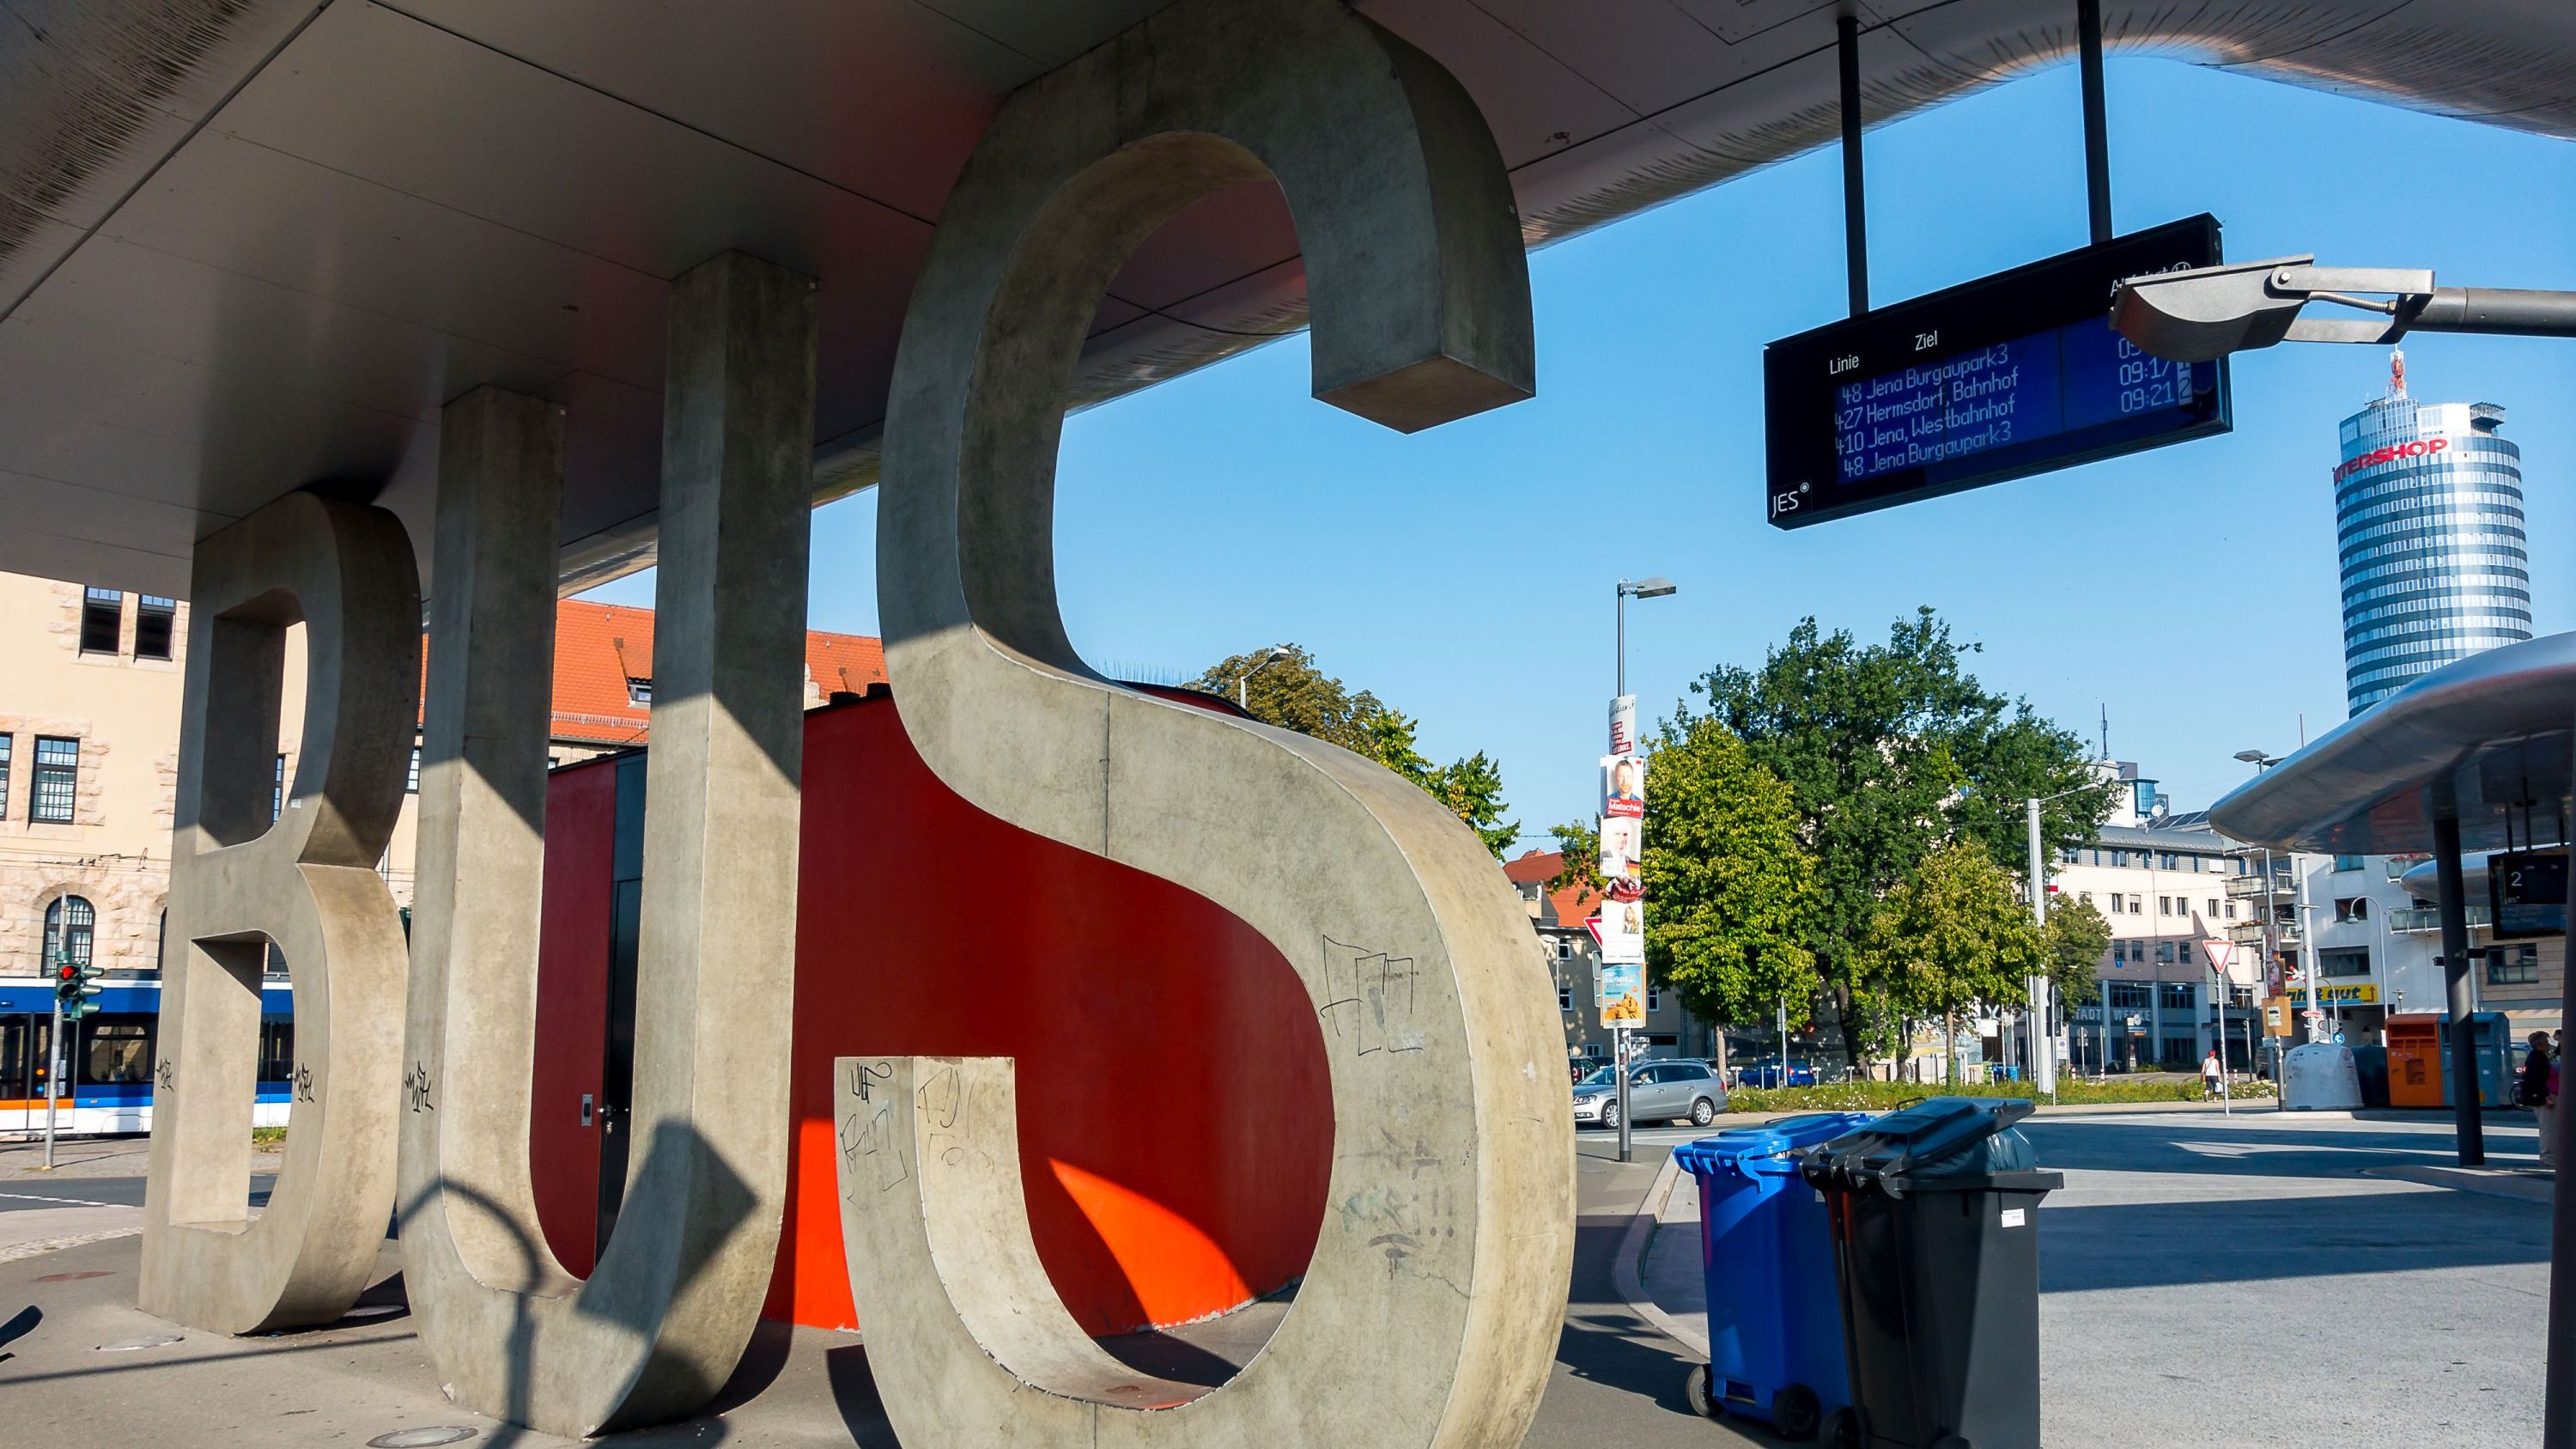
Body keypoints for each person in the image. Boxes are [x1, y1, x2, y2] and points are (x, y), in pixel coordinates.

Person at [2521, 1031, 2555, 1168]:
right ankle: (2548, 1158)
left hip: (2540, 1096)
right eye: (2546, 1041)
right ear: (2540, 1044)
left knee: (2547, 1127)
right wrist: (2546, 1096)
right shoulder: (2538, 1058)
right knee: (2548, 1128)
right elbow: (2538, 1080)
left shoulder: (2535, 1056)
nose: (2548, 1044)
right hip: (2543, 1097)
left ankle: (2549, 1157)